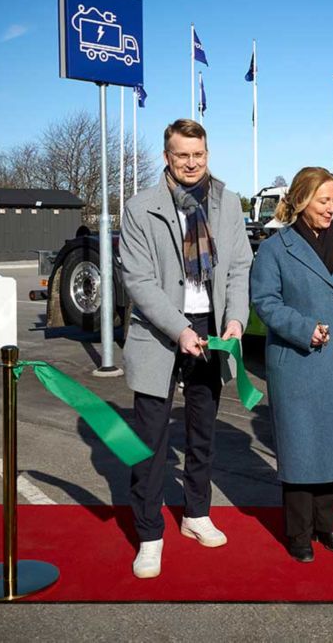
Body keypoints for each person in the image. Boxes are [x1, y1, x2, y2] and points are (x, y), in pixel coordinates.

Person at [119, 118, 253, 579]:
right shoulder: (140, 208)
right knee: (151, 443)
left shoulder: (227, 202)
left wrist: (235, 318)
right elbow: (138, 280)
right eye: (182, 155)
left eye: (198, 155)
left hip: (211, 327)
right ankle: (150, 535)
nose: (191, 163)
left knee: (202, 433)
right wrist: (179, 329)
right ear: (166, 157)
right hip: (161, 330)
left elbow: (239, 267)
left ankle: (196, 514)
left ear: (207, 154)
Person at [249, 167, 333, 563]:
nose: (332, 208)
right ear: (303, 201)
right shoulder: (276, 249)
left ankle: (329, 527)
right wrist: (305, 329)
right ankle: (299, 535)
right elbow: (266, 303)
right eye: (325, 201)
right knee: (301, 450)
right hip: (297, 363)